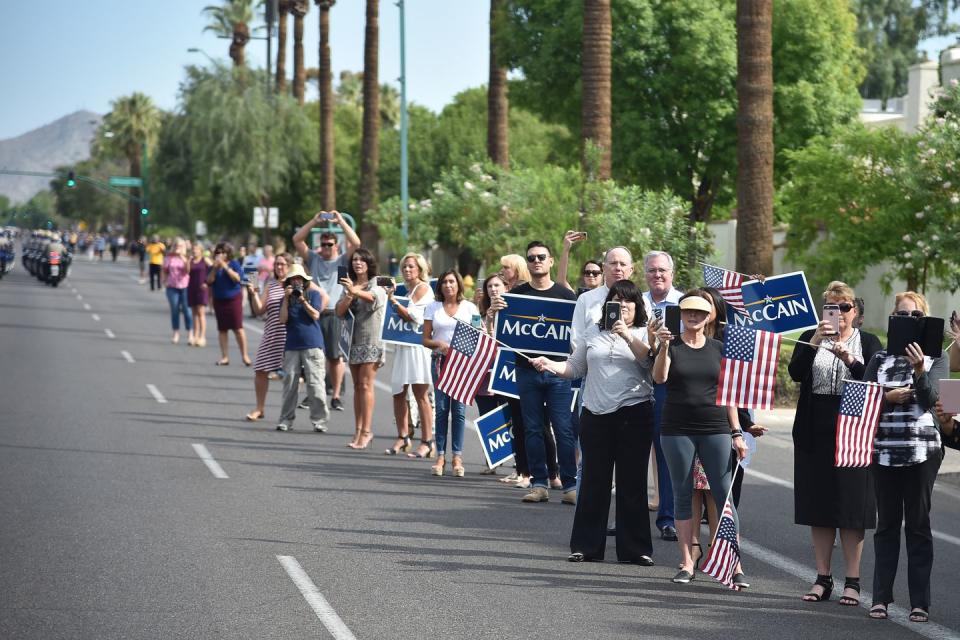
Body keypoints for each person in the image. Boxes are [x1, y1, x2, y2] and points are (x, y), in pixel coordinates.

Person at [532, 281, 656, 565]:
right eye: (616, 300)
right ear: (607, 305)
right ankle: (586, 546)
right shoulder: (593, 332)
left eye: (628, 301)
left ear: (637, 306)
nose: (622, 305)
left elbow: (650, 363)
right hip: (595, 414)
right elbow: (575, 367)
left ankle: (635, 549)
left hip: (633, 413)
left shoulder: (644, 332)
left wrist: (626, 335)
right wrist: (550, 364)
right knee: (593, 482)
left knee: (632, 484)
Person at [789, 281, 882, 605]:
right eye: (832, 307)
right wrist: (815, 340)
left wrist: (849, 358)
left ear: (855, 312)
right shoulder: (810, 338)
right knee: (820, 506)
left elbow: (875, 381)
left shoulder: (867, 342)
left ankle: (853, 581)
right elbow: (796, 372)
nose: (838, 314)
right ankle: (822, 577)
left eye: (844, 307)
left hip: (853, 428)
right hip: (816, 427)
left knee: (852, 507)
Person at [652, 291, 751, 586]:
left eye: (698, 312)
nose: (692, 317)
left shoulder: (719, 348)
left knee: (724, 495)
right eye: (687, 312)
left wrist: (737, 432)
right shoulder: (671, 345)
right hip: (677, 428)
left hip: (715, 427)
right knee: (682, 494)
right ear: (680, 315)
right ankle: (686, 562)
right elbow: (659, 378)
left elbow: (730, 395)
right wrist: (663, 347)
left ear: (709, 317)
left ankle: (734, 563)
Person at [864, 292, 949, 623]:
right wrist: (887, 398)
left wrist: (918, 369)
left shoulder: (936, 357)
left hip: (922, 452)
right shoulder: (879, 358)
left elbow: (932, 401)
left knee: (917, 525)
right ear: (893, 318)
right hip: (883, 450)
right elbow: (863, 403)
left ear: (924, 319)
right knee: (885, 525)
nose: (908, 319)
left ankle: (919, 603)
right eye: (902, 314)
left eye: (915, 315)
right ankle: (881, 597)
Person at [509, 241, 578, 504]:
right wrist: (493, 313)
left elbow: (576, 335)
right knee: (533, 429)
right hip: (526, 372)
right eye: (531, 257)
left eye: (541, 257)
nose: (536, 261)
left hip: (558, 373)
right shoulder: (517, 294)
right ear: (527, 263)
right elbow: (506, 333)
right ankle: (539, 483)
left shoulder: (566, 296)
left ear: (550, 261)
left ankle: (570, 485)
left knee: (563, 429)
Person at [294, 211, 361, 411]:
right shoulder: (314, 258)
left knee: (334, 357)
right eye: (323, 244)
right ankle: (313, 394)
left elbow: (356, 243)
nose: (325, 248)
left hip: (334, 313)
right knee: (313, 356)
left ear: (336, 245)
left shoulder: (342, 261)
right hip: (313, 312)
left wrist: (340, 221)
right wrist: (314, 220)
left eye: (329, 244)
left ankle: (336, 395)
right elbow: (297, 239)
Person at [643, 250, 683, 541]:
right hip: (632, 383)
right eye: (652, 270)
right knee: (631, 454)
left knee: (666, 453)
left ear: (672, 273)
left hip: (667, 385)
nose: (657, 275)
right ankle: (627, 518)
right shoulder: (635, 303)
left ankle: (667, 518)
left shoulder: (685, 303)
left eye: (662, 270)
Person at [422, 270, 479, 477]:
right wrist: (438, 343)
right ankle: (440, 456)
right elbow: (425, 339)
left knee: (460, 411)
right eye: (444, 282)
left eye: (452, 281)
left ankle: (457, 456)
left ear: (459, 285)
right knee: (442, 409)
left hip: (462, 364)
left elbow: (477, 336)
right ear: (440, 286)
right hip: (440, 362)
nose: (448, 285)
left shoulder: (470, 308)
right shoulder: (432, 308)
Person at [335, 247, 387, 449]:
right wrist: (349, 293)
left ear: (368, 263)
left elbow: (374, 298)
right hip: (352, 338)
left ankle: (367, 431)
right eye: (354, 260)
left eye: (361, 260)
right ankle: (358, 430)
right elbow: (339, 311)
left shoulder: (377, 282)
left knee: (366, 385)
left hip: (371, 338)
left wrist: (354, 291)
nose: (357, 263)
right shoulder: (349, 284)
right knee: (357, 386)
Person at [385, 252, 435, 456]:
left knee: (420, 394)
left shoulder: (424, 288)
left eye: (411, 267)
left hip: (417, 348)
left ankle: (427, 441)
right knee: (398, 392)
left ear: (420, 269)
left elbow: (414, 317)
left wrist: (394, 302)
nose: (407, 270)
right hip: (402, 346)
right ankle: (403, 437)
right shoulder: (404, 290)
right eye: (405, 267)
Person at [247, 254, 307, 422]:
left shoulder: (297, 284)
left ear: (289, 266)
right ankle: (259, 408)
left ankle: (288, 414)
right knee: (260, 370)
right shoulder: (271, 285)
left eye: (283, 264)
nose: (279, 267)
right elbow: (259, 310)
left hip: (290, 335)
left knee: (291, 376)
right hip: (272, 334)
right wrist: (253, 294)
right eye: (277, 264)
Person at [275, 263, 330, 432]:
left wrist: (302, 300)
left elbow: (315, 315)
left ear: (305, 281)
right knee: (290, 384)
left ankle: (319, 420)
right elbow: (282, 320)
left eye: (299, 279)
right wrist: (286, 299)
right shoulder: (285, 298)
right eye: (293, 279)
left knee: (315, 384)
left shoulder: (313, 294)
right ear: (289, 282)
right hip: (292, 346)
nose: (297, 282)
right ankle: (286, 420)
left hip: (312, 344)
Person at [207, 242, 251, 367]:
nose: (220, 255)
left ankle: (245, 356)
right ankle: (224, 357)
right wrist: (216, 268)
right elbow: (209, 281)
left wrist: (225, 267)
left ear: (227, 254)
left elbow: (237, 278)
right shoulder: (213, 266)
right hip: (219, 300)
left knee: (238, 328)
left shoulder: (234, 264)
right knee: (222, 329)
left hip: (233, 299)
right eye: (218, 252)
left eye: (222, 252)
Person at [161, 238, 192, 344]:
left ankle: (190, 334)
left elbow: (188, 270)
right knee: (175, 310)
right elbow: (165, 270)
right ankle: (176, 333)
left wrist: (182, 257)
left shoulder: (187, 257)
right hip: (172, 286)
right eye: (176, 245)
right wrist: (164, 280)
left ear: (184, 247)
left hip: (185, 286)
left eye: (180, 246)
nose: (178, 247)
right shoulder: (169, 257)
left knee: (187, 310)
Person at [187, 242, 212, 347]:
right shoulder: (191, 260)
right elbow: (187, 272)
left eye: (196, 249)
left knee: (201, 313)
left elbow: (213, 270)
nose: (194, 251)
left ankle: (202, 337)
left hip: (202, 289)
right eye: (193, 249)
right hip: (192, 287)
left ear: (201, 250)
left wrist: (207, 283)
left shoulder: (205, 260)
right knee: (194, 314)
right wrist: (188, 261)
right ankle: (195, 336)